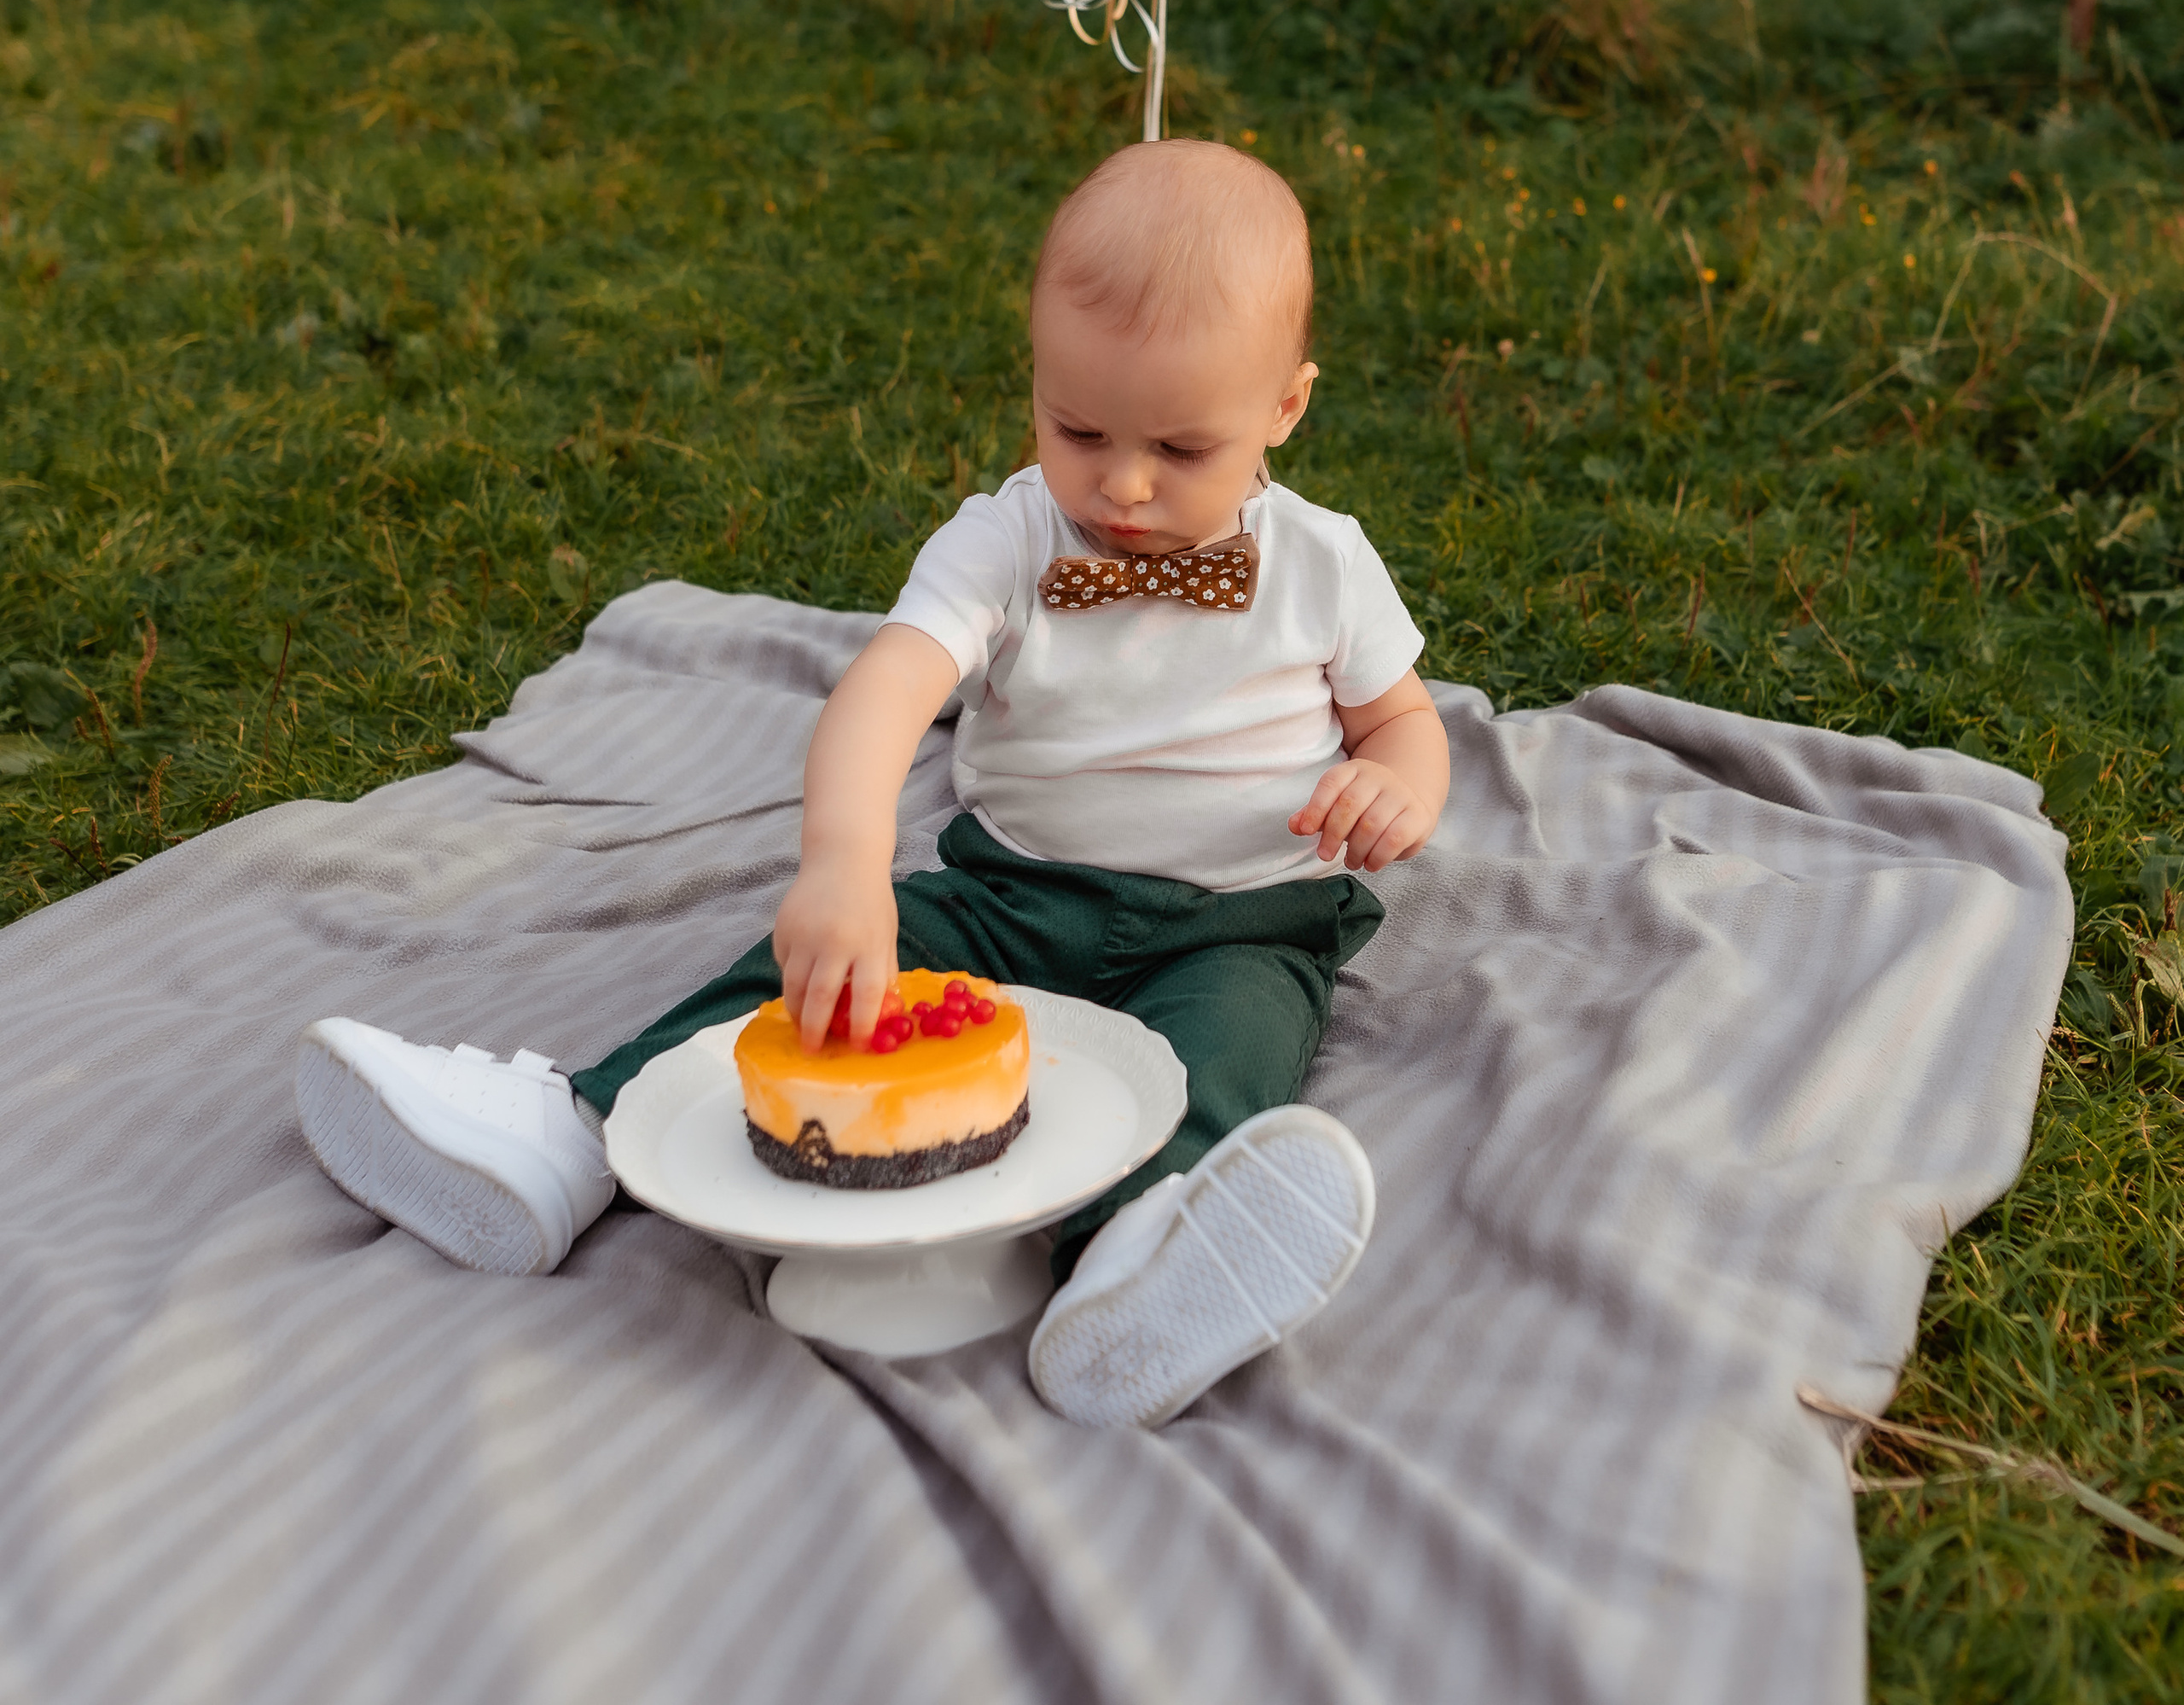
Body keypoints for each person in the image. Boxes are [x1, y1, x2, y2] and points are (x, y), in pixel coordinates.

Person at [295, 137, 1449, 1428]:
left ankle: (1137, 1268)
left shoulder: (1324, 564)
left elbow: (1399, 718)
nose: (1121, 486)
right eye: (1077, 429)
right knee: (814, 986)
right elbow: (886, 691)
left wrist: (1401, 784)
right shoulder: (1011, 536)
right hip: (1016, 894)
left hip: (1246, 915)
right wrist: (842, 868)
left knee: (1227, 1059)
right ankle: (564, 1137)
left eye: (1182, 447)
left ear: (1287, 407)